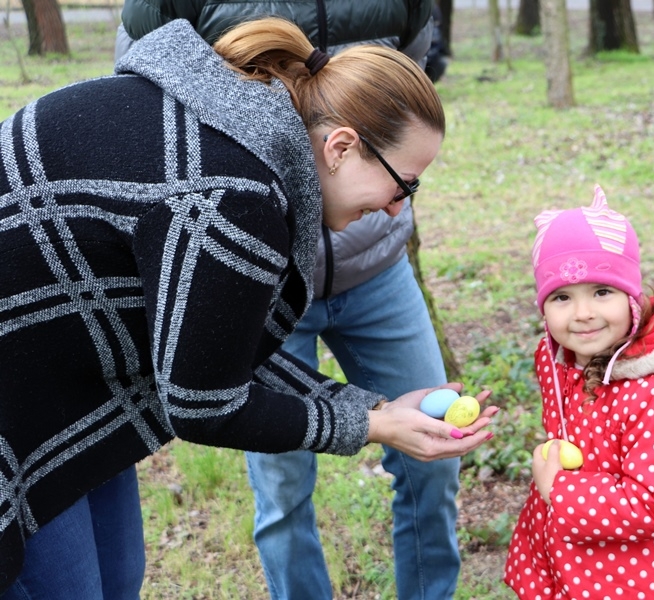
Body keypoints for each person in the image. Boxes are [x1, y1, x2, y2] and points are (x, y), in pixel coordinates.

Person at [0, 17, 498, 599]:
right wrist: (370, 425)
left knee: (117, 578)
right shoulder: (237, 198)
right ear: (340, 147)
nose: (396, 212)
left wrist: (375, 408)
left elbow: (213, 354)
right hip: (19, 404)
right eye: (403, 185)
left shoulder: (238, 133)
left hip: (62, 382)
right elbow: (203, 404)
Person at [117, 2, 461, 598]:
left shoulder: (377, 184)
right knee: (281, 488)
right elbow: (147, 91)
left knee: (435, 458)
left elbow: (408, 84)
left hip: (376, 272)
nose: (405, 202)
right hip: (257, 276)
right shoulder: (236, 200)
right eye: (403, 187)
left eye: (414, 188)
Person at [503, 185, 654, 599]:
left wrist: (558, 492)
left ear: (631, 298)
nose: (583, 313)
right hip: (574, 561)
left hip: (645, 578)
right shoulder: (561, 362)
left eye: (602, 292)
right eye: (562, 297)